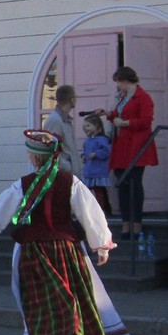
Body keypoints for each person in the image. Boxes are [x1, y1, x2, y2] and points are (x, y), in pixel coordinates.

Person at [0, 129, 120, 335]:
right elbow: (90, 213)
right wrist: (101, 243)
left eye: (30, 153)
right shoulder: (71, 182)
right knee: (62, 300)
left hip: (35, 252)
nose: (29, 156)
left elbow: (0, 213)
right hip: (66, 251)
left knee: (45, 303)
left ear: (37, 157)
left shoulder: (24, 185)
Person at [95, 66, 159, 240]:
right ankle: (125, 224)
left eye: (118, 82)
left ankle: (136, 224)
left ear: (125, 80)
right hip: (122, 146)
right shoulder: (123, 97)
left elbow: (145, 122)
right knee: (122, 184)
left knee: (135, 184)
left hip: (136, 146)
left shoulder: (143, 97)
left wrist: (124, 123)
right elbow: (118, 116)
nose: (117, 85)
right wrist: (108, 114)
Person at [43, 84, 82, 175]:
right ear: (71, 99)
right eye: (75, 97)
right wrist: (67, 167)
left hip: (70, 176)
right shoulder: (55, 120)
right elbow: (49, 149)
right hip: (62, 175)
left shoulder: (65, 120)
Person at [81, 114, 113, 216]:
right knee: (88, 192)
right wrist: (84, 156)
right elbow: (85, 152)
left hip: (98, 171)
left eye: (88, 125)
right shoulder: (87, 141)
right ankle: (91, 211)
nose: (85, 128)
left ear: (97, 126)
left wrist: (96, 154)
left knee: (100, 191)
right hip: (89, 171)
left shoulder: (102, 140)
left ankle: (103, 210)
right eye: (84, 126)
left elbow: (107, 152)